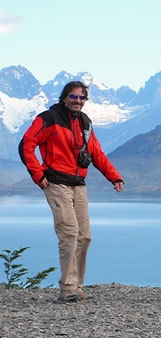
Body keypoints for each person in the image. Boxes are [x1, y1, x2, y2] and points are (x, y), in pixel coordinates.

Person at [19, 81, 124, 302]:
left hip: (79, 184)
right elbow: (27, 144)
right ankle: (67, 288)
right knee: (69, 233)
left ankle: (77, 285)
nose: (77, 101)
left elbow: (96, 152)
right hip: (56, 183)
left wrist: (114, 176)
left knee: (84, 236)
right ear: (64, 97)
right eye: (73, 97)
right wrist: (38, 175)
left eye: (81, 98)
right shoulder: (48, 118)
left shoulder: (85, 122)